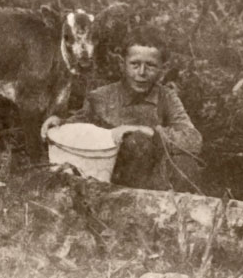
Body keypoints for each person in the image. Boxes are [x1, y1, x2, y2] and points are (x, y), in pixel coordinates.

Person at [41, 27, 202, 191]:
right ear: (122, 64)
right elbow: (79, 127)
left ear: (162, 69)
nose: (141, 73)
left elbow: (193, 139)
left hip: (152, 182)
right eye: (134, 64)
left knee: (185, 162)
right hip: (110, 176)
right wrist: (60, 123)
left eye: (151, 66)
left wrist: (151, 132)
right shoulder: (101, 97)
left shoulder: (166, 98)